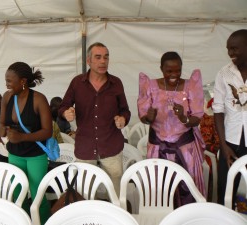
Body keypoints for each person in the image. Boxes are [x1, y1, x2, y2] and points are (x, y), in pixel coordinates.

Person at [58, 42, 131, 194]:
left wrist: (123, 119)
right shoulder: (77, 82)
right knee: (84, 191)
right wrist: (66, 113)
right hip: (85, 146)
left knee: (116, 193)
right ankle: (87, 217)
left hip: (111, 145)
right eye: (98, 57)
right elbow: (63, 106)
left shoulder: (116, 83)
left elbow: (125, 110)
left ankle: (115, 216)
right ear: (88, 61)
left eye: (106, 57)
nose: (103, 61)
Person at [137, 51, 206, 207]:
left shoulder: (191, 85)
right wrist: (149, 117)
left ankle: (188, 218)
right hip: (158, 148)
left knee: (188, 185)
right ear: (161, 69)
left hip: (184, 148)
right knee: (160, 188)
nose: (174, 74)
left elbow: (196, 118)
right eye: (169, 71)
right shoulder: (150, 85)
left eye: (178, 70)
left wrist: (183, 118)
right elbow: (144, 117)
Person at [0, 62, 53, 224]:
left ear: (22, 81)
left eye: (9, 81)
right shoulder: (7, 97)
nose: (6, 84)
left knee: (38, 196)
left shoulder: (38, 99)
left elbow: (47, 131)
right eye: (6, 80)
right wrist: (1, 129)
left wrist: (22, 137)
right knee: (18, 194)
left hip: (35, 155)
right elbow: (2, 123)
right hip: (15, 154)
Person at [212, 29, 247, 207]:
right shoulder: (224, 74)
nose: (230, 53)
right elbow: (217, 110)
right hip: (230, 144)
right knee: (226, 190)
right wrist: (224, 147)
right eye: (228, 49)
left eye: (235, 49)